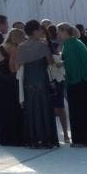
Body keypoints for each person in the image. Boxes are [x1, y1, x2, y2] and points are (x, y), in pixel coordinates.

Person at [14, 20, 58, 149]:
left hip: (28, 81)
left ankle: (33, 139)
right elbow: (50, 62)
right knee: (44, 108)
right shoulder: (42, 45)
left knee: (31, 109)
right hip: (42, 79)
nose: (41, 32)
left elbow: (17, 66)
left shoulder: (21, 46)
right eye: (39, 29)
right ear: (34, 31)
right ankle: (46, 139)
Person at [57, 23, 87, 146]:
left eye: (59, 32)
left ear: (65, 32)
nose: (58, 35)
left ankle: (81, 139)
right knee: (86, 111)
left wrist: (63, 69)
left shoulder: (69, 44)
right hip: (85, 81)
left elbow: (73, 66)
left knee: (78, 111)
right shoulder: (76, 42)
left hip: (77, 82)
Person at [0, 27, 26, 146]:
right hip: (10, 82)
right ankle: (16, 138)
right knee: (14, 110)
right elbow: (13, 68)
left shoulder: (0, 48)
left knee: (3, 111)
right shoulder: (14, 48)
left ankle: (4, 138)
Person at [47, 48, 70, 145]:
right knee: (60, 108)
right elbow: (59, 66)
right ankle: (65, 134)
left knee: (52, 109)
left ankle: (55, 135)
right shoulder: (55, 57)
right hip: (57, 82)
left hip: (49, 82)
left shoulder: (45, 55)